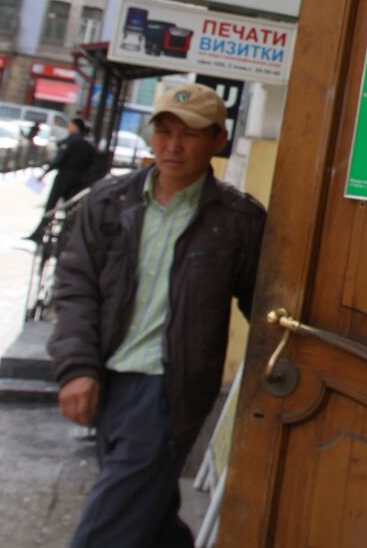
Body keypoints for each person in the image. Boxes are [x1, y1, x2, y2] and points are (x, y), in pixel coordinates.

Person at [49, 83, 266, 547]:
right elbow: (76, 287)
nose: (173, 145)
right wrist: (78, 368)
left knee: (107, 528)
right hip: (108, 379)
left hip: (170, 389)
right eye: (164, 131)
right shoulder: (110, 203)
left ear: (217, 141)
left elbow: (265, 305)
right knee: (148, 513)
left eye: (188, 134)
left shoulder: (237, 221)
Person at [40, 117, 97, 212]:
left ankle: (44, 224)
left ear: (76, 127)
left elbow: (59, 160)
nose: (68, 128)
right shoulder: (88, 144)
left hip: (65, 176)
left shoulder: (71, 141)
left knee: (52, 204)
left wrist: (45, 173)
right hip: (80, 178)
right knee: (70, 204)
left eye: (70, 126)